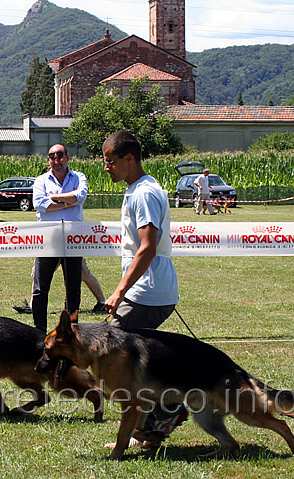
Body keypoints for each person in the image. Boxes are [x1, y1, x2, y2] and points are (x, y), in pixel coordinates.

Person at [101, 130, 187, 449]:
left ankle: (168, 409)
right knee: (136, 364)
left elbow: (147, 247)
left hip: (146, 292)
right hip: (150, 289)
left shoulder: (143, 193)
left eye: (110, 161)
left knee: (114, 359)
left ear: (129, 159)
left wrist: (119, 292)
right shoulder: (139, 189)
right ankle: (151, 427)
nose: (106, 167)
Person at [31, 144, 88, 332]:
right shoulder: (40, 180)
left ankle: (72, 330)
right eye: (52, 157)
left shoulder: (79, 177)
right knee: (40, 290)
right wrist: (68, 203)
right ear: (48, 160)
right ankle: (39, 332)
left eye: (60, 156)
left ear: (67, 157)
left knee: (73, 289)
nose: (56, 160)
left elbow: (81, 196)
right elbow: (39, 203)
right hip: (48, 240)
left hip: (73, 240)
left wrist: (54, 198)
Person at [13, 258, 106, 314]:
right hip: (51, 245)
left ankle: (102, 303)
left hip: (68, 244)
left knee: (84, 274)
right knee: (38, 273)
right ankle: (33, 305)